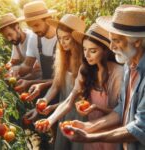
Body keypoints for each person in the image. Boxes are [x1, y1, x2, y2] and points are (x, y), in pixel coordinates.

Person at [60, 5, 145, 150]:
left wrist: (90, 137)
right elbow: (120, 110)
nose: (111, 47)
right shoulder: (128, 67)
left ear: (137, 42)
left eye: (117, 41)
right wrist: (88, 126)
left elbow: (140, 128)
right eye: (111, 40)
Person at [36, 23, 123, 150]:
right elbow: (68, 101)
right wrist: (50, 120)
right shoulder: (86, 69)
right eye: (85, 49)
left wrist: (96, 107)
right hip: (89, 132)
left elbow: (121, 113)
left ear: (105, 51)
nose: (86, 55)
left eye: (93, 51)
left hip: (109, 134)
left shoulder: (117, 74)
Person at [26, 14, 86, 150]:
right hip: (63, 110)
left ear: (76, 40)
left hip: (78, 111)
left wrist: (54, 108)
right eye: (59, 38)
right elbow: (56, 85)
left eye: (67, 38)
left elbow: (81, 97)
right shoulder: (62, 57)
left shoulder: (84, 61)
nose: (62, 42)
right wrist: (45, 100)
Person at [10, 1, 58, 93]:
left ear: (48, 20)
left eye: (36, 25)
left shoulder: (62, 39)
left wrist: (29, 82)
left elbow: (62, 79)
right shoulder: (34, 37)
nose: (34, 30)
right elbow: (27, 65)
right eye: (30, 26)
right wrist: (17, 69)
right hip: (43, 88)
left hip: (63, 91)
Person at [0, 13, 41, 77]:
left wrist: (16, 72)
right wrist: (4, 67)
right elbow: (13, 61)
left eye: (10, 34)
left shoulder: (32, 38)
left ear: (17, 27)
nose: (9, 39)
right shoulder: (16, 42)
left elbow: (35, 67)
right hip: (30, 75)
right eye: (6, 36)